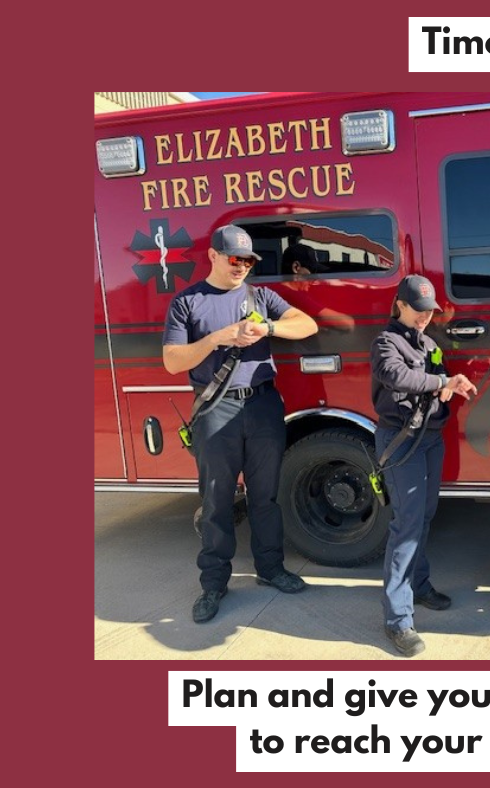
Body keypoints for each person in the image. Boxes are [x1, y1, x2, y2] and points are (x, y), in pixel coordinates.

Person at [163, 224, 319, 624]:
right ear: (213, 256)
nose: (243, 266)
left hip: (263, 406)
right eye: (235, 259)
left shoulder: (260, 296)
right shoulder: (188, 302)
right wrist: (219, 338)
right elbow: (173, 361)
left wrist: (268, 327)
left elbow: (307, 324)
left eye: (248, 260)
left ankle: (271, 570)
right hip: (216, 410)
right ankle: (213, 583)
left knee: (265, 496)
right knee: (216, 501)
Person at [370, 275, 477, 657]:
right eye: (418, 310)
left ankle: (419, 583)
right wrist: (440, 381)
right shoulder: (386, 342)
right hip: (402, 441)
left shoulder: (430, 343)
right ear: (400, 304)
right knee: (407, 525)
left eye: (429, 312)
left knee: (425, 516)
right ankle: (397, 620)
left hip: (429, 438)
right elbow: (395, 375)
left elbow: (433, 383)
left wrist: (447, 388)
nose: (424, 318)